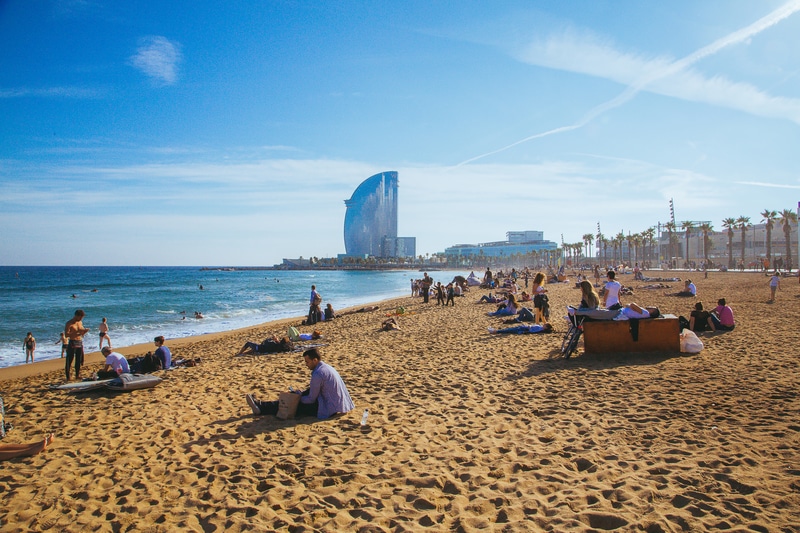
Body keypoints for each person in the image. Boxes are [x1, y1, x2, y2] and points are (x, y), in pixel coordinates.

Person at [245, 348, 355, 420]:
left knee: (293, 404)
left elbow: (311, 399)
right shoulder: (326, 367)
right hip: (338, 403)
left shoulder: (318, 373)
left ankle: (261, 407)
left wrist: (296, 398)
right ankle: (261, 405)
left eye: (307, 362)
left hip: (328, 408)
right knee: (301, 394)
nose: (306, 364)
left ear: (315, 360)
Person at [64, 309, 89, 381]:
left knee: (79, 359)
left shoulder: (80, 322)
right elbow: (66, 335)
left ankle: (77, 374)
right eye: (80, 317)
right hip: (72, 342)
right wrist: (76, 333)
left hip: (79, 341)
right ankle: (68, 376)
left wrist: (84, 331)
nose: (81, 319)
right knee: (69, 360)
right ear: (76, 316)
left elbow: (81, 333)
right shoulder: (69, 323)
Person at [488, 323, 553, 334]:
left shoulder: (540, 329)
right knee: (510, 329)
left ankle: (495, 331)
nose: (544, 324)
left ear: (546, 327)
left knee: (510, 330)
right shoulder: (541, 327)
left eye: (545, 324)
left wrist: (529, 327)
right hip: (524, 327)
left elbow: (532, 331)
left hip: (524, 329)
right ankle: (495, 330)